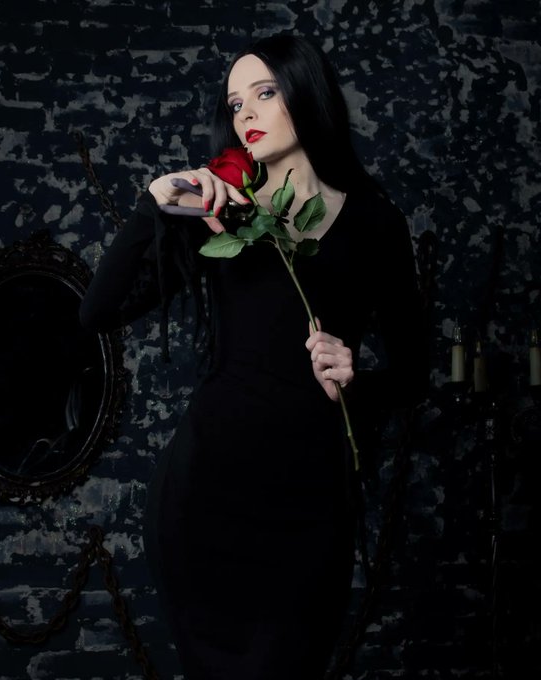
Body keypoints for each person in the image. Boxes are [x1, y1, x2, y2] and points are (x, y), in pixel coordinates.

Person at [80, 34, 427, 680]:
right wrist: (157, 200)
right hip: (204, 499)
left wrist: (354, 380)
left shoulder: (376, 222)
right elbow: (97, 311)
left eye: (264, 93)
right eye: (236, 103)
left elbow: (413, 374)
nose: (247, 115)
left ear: (306, 92)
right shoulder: (223, 213)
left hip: (311, 507)